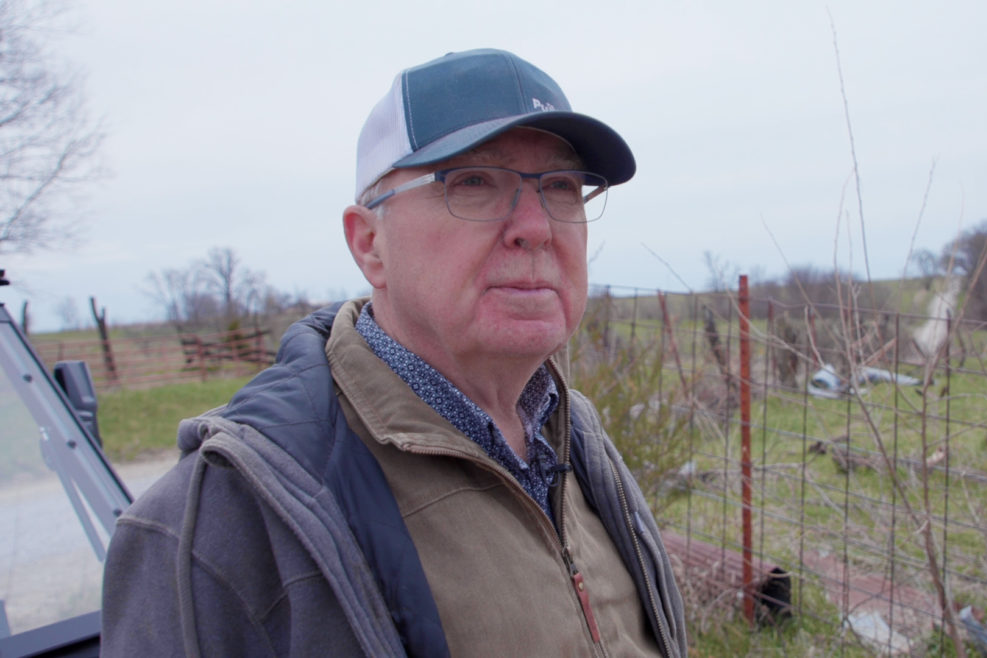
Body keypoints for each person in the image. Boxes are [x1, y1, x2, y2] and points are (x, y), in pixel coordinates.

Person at [101, 48, 687, 657]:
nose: (536, 226)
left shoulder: (575, 434)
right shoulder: (220, 521)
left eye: (562, 187)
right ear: (369, 243)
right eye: (474, 183)